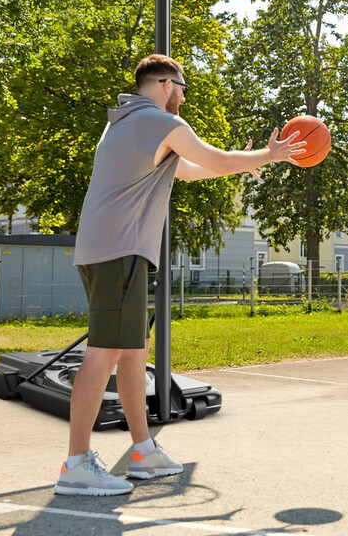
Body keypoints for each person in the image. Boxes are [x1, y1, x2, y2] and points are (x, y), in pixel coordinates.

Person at [54, 54, 305, 496]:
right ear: (167, 83)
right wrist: (272, 154)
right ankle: (76, 464)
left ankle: (143, 451)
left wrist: (245, 161)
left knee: (133, 353)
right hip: (120, 251)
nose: (185, 97)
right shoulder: (156, 120)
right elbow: (212, 157)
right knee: (105, 353)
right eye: (183, 88)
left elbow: (190, 169)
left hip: (109, 250)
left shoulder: (124, 120)